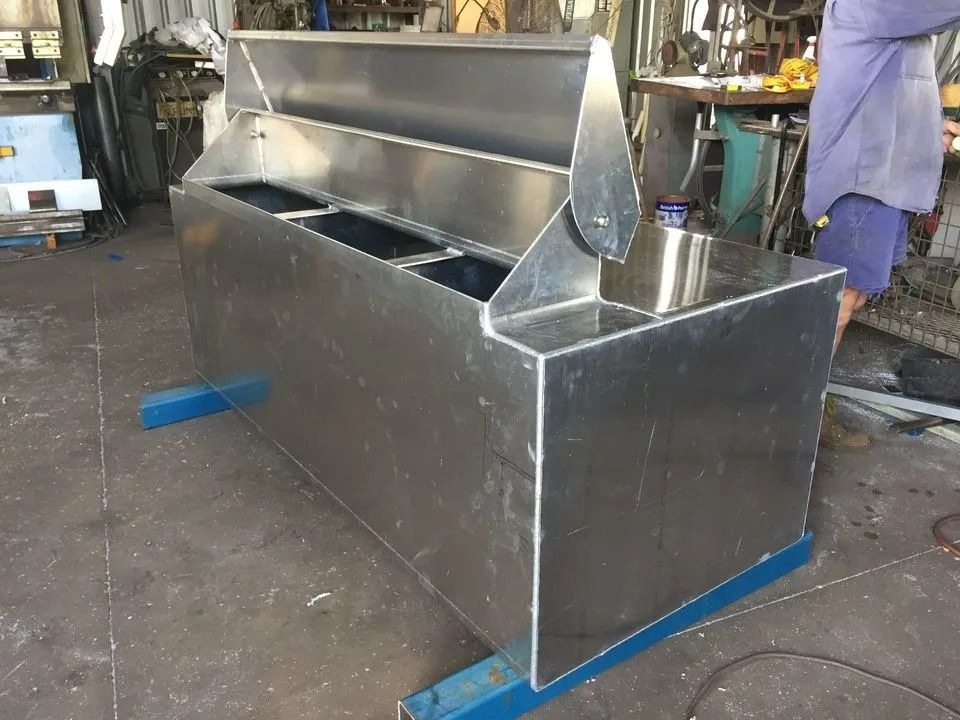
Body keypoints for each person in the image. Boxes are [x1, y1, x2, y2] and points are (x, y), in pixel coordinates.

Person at [803, 0, 960, 448]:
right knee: (837, 304)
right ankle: (793, 424)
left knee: (851, 300)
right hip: (860, 182)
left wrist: (935, 126)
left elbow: (893, 90)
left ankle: (805, 415)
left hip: (884, 181)